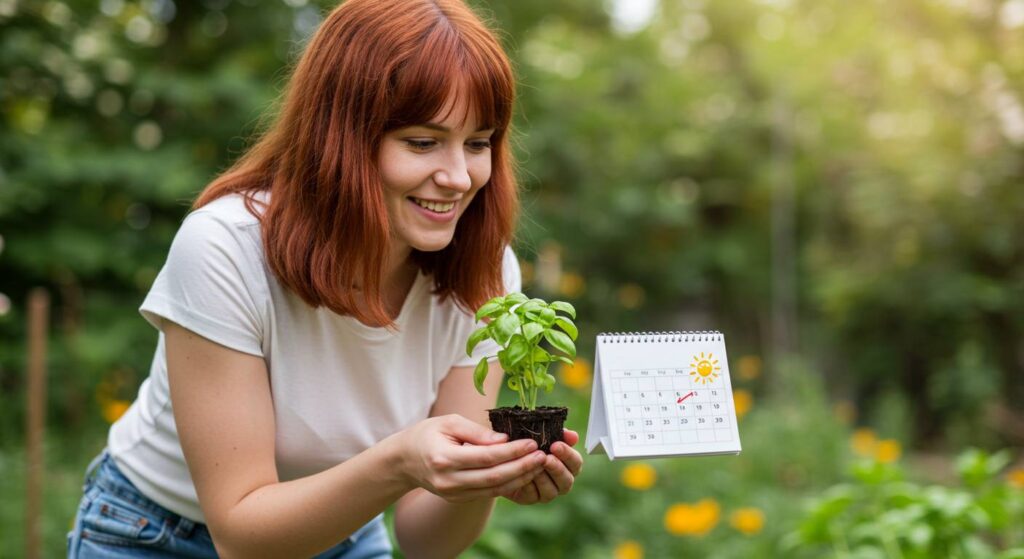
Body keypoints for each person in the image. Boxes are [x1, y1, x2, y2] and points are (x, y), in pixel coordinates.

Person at [66, 0, 584, 557]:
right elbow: (241, 535)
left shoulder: (484, 270)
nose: (458, 177)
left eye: (478, 143)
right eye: (422, 142)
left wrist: (489, 477)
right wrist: (400, 460)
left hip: (343, 529)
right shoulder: (225, 247)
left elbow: (424, 541)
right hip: (155, 533)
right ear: (342, 137)